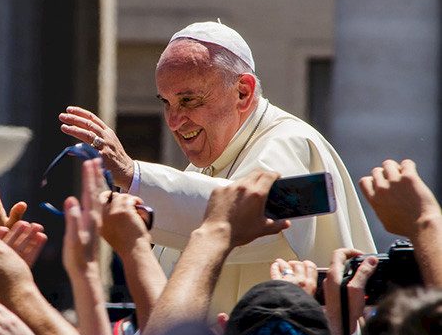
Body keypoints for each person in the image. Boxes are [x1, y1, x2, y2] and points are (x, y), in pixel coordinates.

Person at [60, 20, 375, 313]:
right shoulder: (198, 171)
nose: (174, 121)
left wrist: (133, 174)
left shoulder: (291, 142)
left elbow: (248, 219)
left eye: (189, 101)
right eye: (166, 103)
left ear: (243, 92)